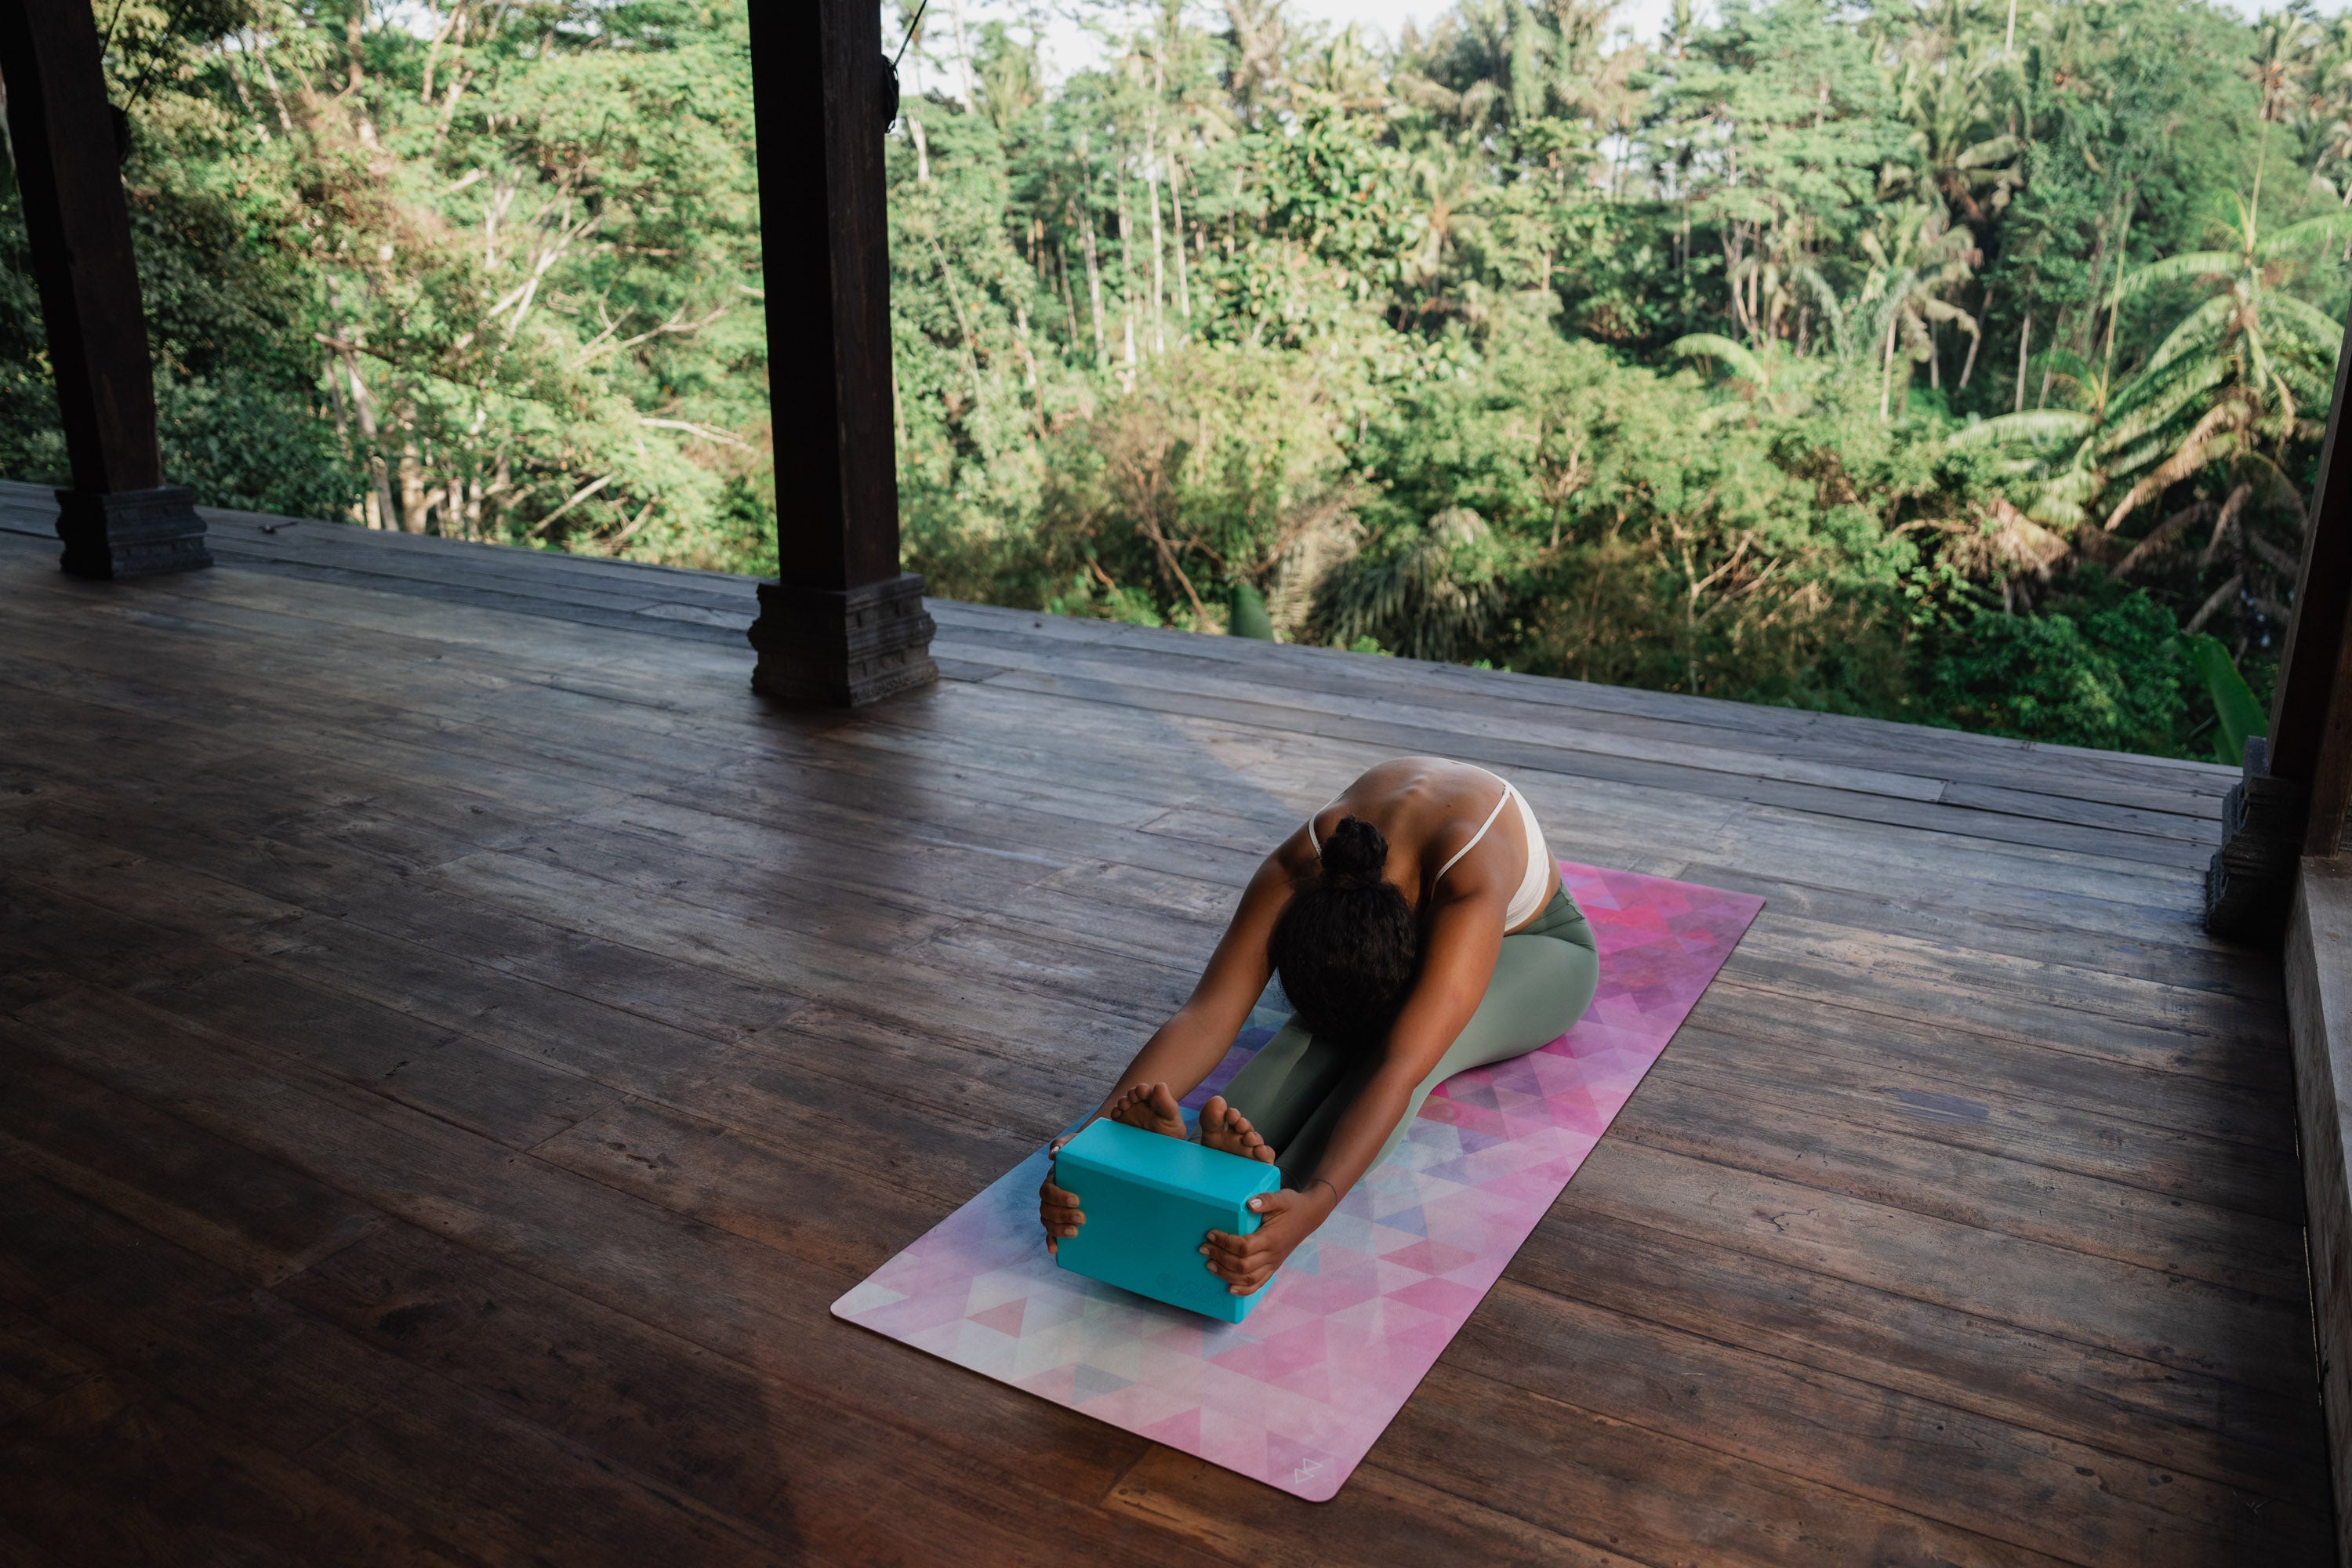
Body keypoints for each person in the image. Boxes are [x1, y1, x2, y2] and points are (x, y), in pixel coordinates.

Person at [1038, 756, 1600, 1298]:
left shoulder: (1467, 881)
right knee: (1316, 1035)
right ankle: (1184, 1169)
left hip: (1536, 946)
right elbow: (1207, 1013)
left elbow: (1400, 1068)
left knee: (1404, 1044)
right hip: (1387, 917)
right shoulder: (1301, 865)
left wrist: (1316, 1202)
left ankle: (1259, 1193)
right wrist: (1094, 1136)